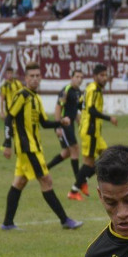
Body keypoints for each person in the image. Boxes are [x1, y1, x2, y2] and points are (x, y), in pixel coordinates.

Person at [0, 63, 83, 232]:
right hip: (27, 148)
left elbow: (44, 123)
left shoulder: (35, 97)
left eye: (38, 75)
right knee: (46, 180)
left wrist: (60, 122)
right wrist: (7, 143)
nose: (35, 79)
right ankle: (65, 220)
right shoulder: (22, 95)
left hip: (34, 147)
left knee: (20, 182)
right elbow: (9, 117)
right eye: (32, 76)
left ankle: (8, 222)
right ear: (26, 78)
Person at [72, 64, 118, 199]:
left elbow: (80, 104)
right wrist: (109, 118)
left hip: (94, 131)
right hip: (90, 131)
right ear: (95, 76)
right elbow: (91, 110)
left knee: (107, 157)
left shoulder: (90, 88)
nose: (104, 78)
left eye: (105, 75)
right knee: (90, 162)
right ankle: (75, 189)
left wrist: (83, 117)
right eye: (101, 75)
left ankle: (83, 181)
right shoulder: (94, 90)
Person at [49, 69, 83, 198]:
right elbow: (58, 108)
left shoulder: (78, 92)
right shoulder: (66, 90)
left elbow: (76, 112)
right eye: (77, 76)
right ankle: (78, 184)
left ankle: (44, 169)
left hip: (70, 125)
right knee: (75, 149)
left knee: (67, 153)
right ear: (72, 77)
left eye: (81, 77)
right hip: (63, 125)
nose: (79, 79)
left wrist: (81, 126)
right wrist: (57, 126)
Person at [0, 65, 22, 154]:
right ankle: (7, 145)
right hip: (9, 111)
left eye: (11, 73)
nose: (9, 75)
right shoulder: (4, 85)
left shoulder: (18, 84)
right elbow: (2, 99)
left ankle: (5, 145)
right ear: (6, 74)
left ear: (13, 74)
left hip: (18, 111)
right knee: (9, 129)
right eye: (8, 73)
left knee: (15, 130)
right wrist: (1, 112)